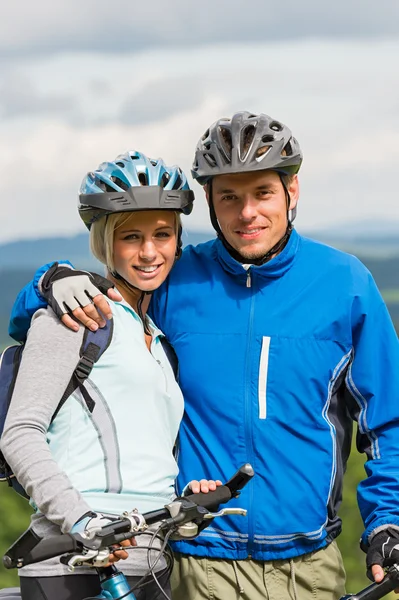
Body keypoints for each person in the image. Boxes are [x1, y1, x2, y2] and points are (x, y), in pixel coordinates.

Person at [7, 112, 399, 600]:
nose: (246, 213)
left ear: (291, 192)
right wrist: (50, 279)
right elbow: (70, 309)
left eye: (262, 193)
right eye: (229, 197)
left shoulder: (346, 284)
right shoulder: (175, 278)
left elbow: (387, 423)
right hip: (195, 561)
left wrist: (388, 521)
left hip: (308, 564)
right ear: (210, 204)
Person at [1, 150, 220, 600]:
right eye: (130, 236)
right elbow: (20, 432)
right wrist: (83, 521)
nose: (149, 251)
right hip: (74, 563)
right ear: (104, 242)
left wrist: (186, 502)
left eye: (163, 234)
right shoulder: (75, 318)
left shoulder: (156, 339)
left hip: (151, 563)